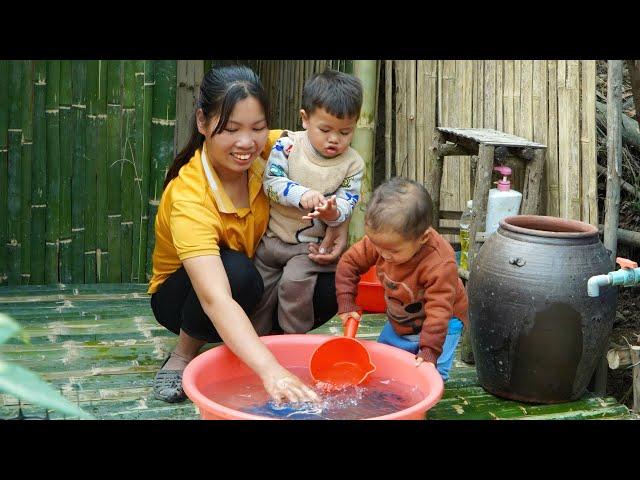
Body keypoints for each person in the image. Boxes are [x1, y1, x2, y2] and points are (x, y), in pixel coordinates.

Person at [148, 65, 349, 404]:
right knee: (238, 274)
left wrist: (339, 221)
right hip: (183, 298)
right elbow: (216, 298)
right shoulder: (189, 195)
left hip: (261, 275)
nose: (247, 143)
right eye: (230, 129)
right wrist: (271, 372)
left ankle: (268, 343)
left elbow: (332, 157)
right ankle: (183, 354)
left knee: (330, 277)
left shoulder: (274, 150)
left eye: (258, 128)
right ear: (202, 122)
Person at [250, 70, 364, 335]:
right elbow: (272, 184)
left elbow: (349, 202)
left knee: (294, 287)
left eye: (345, 132)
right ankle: (255, 342)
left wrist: (333, 211)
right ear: (305, 119)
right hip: (270, 241)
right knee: (260, 291)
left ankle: (291, 340)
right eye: (325, 130)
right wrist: (301, 195)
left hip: (308, 249)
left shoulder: (353, 163)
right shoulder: (287, 146)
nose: (335, 139)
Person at [334, 177, 469, 381]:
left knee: (430, 373)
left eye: (392, 251)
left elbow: (439, 311)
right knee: (381, 366)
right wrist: (347, 302)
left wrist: (429, 352)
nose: (383, 255)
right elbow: (349, 263)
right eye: (377, 246)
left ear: (422, 238)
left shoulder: (440, 263)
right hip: (402, 317)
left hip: (442, 321)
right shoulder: (383, 241)